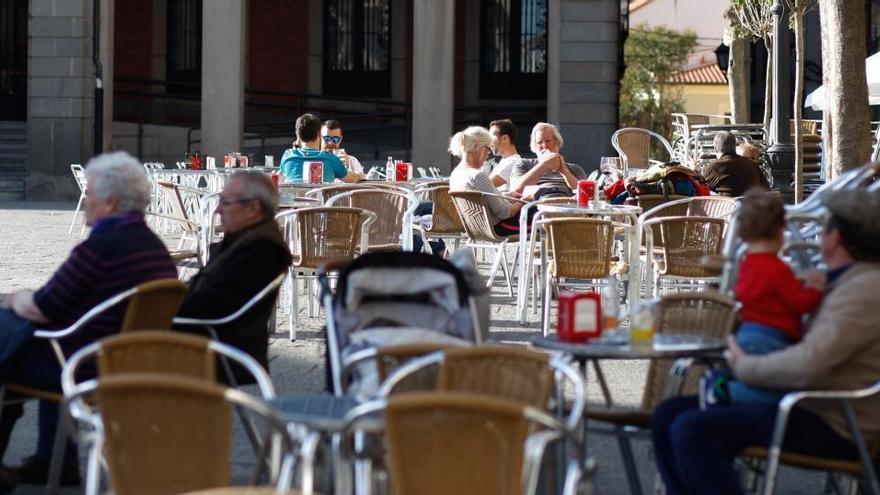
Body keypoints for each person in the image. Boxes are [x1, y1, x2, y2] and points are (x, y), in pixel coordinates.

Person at [652, 187, 880, 495]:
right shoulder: (847, 281)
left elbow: (809, 363)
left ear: (835, 237)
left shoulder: (863, 290)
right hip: (810, 404)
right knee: (669, 414)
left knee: (692, 430)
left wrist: (746, 366)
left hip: (834, 420)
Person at [0, 152, 177, 491]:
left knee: (9, 346)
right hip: (120, 360)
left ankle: (49, 463)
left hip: (81, 365)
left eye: (90, 194)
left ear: (110, 202)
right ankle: (54, 463)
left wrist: (15, 297)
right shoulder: (154, 247)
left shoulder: (102, 245)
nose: (85, 202)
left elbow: (45, 306)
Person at [703, 190, 823, 407]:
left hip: (747, 332)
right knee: (772, 395)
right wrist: (815, 288)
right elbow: (800, 303)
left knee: (754, 385)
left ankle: (723, 385)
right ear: (780, 231)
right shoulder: (777, 268)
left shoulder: (747, 265)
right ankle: (726, 391)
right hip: (772, 337)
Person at [175, 171, 291, 378]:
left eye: (225, 202)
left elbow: (213, 304)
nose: (218, 210)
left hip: (213, 347)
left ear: (253, 208)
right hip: (205, 338)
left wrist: (157, 309)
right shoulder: (245, 239)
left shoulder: (262, 249)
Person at [448, 126, 526, 236]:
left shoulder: (456, 174)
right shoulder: (478, 175)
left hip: (476, 228)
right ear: (479, 147)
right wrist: (523, 201)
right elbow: (504, 212)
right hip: (498, 227)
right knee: (545, 218)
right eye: (488, 150)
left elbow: (485, 199)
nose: (487, 157)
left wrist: (505, 195)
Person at [509, 122, 587, 199]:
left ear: (557, 143)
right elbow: (515, 191)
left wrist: (564, 171)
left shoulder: (575, 169)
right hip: (536, 205)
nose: (544, 146)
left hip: (566, 205)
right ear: (534, 146)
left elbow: (585, 194)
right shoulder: (524, 164)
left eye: (548, 141)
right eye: (539, 142)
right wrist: (544, 165)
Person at [280, 113, 364, 183]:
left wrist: (297, 141)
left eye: (335, 139)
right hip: (322, 202)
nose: (330, 143)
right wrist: (359, 175)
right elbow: (353, 179)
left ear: (298, 134)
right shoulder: (331, 159)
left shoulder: (287, 156)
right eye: (327, 138)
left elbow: (279, 177)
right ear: (320, 134)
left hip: (295, 202)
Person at [703, 131, 768, 197]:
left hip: (728, 205)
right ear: (734, 147)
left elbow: (702, 189)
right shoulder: (752, 164)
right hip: (752, 205)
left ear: (715, 148)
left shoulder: (715, 166)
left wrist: (694, 172)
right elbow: (766, 189)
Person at [487, 119, 522, 192]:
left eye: (492, 136)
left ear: (505, 138)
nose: (489, 141)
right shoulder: (505, 161)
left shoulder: (514, 162)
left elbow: (484, 186)